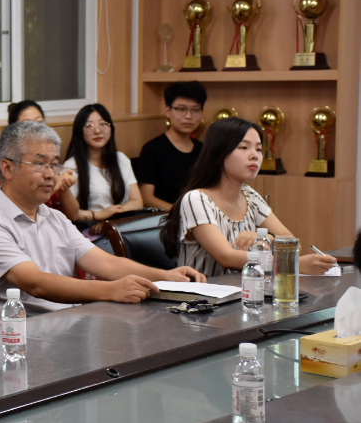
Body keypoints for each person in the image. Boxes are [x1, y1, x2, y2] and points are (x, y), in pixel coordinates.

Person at [0, 121, 205, 316]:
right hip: (17, 337)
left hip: (68, 324)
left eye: (54, 165)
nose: (51, 175)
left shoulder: (54, 218)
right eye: (39, 164)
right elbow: (35, 283)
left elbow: (105, 263)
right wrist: (111, 290)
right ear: (7, 168)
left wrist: (166, 276)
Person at [160, 118, 336, 277]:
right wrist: (290, 264)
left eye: (258, 149)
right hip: (203, 297)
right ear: (218, 153)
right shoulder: (196, 199)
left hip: (245, 291)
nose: (255, 155)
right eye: (243, 147)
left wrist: (266, 239)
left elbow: (292, 242)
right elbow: (226, 257)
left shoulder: (250, 195)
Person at [60, 104, 143, 233]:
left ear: (111, 128)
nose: (97, 131)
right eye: (89, 126)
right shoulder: (72, 166)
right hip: (89, 230)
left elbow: (137, 202)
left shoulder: (121, 159)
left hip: (122, 227)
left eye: (103, 124)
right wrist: (98, 215)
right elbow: (71, 214)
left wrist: (110, 219)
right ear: (79, 132)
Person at [137, 81, 206, 210]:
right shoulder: (152, 149)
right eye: (181, 109)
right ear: (168, 111)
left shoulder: (204, 150)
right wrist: (180, 212)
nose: (188, 116)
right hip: (166, 216)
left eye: (195, 110)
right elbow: (146, 198)